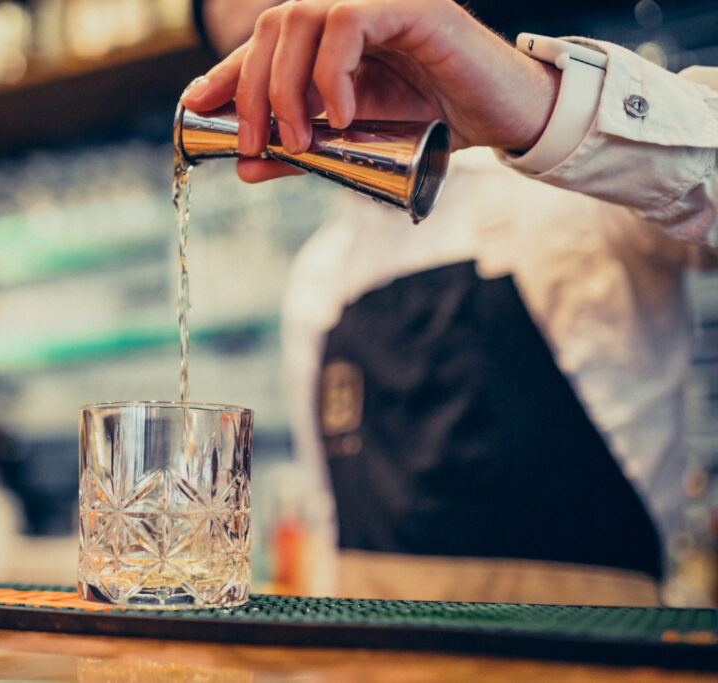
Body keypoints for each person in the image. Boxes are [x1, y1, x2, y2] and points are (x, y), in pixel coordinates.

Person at [184, 0, 718, 605]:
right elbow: (334, 539)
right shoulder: (318, 279)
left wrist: (539, 107)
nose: (291, 63)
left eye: (302, 25)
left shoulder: (584, 191)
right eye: (258, 54)